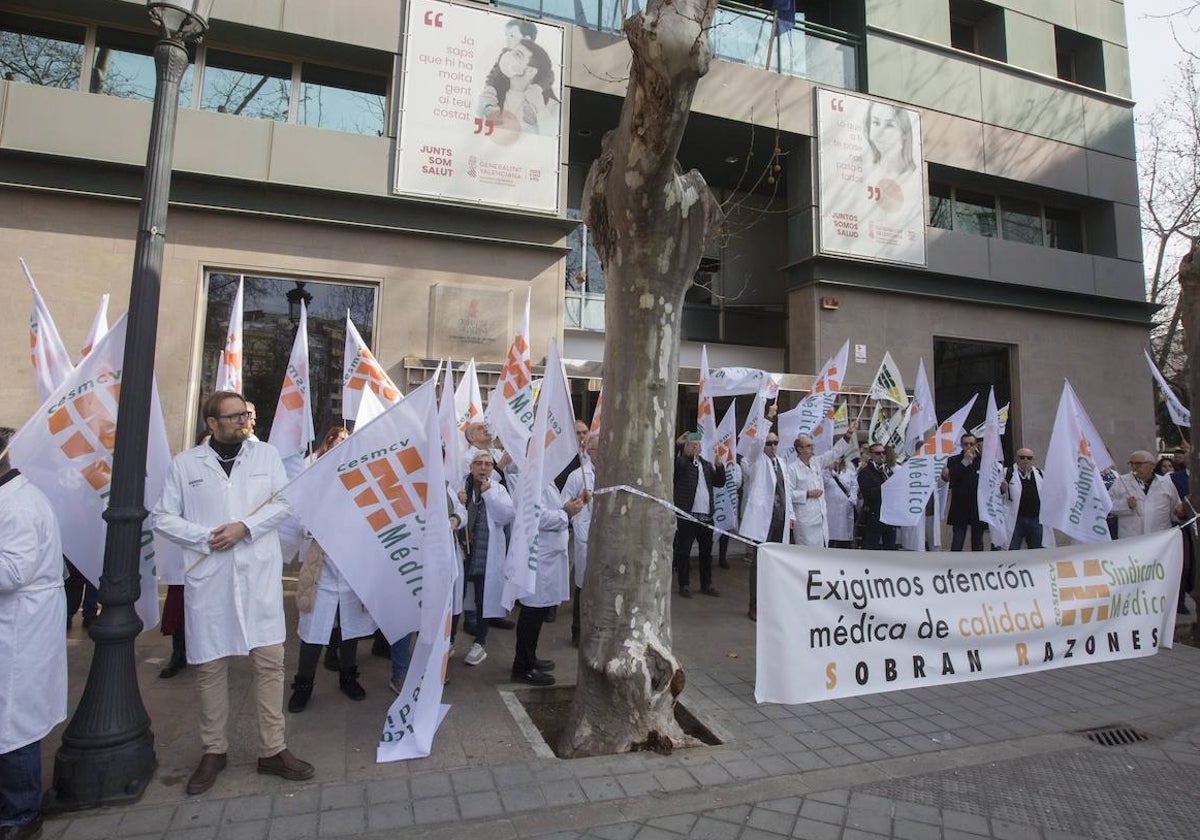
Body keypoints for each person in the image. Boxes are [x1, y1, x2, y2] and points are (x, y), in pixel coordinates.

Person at [153, 391, 313, 796]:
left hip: (257, 577)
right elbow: (162, 517)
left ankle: (273, 749)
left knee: (270, 664)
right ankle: (214, 750)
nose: (244, 420)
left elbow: (285, 502)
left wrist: (245, 527)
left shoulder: (266, 457)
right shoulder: (186, 464)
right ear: (212, 423)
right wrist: (205, 537)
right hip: (211, 579)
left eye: (245, 414)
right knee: (210, 668)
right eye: (235, 416)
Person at [0, 427, 66, 840]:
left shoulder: (19, 506)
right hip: (16, 624)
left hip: (21, 628)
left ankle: (20, 814)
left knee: (13, 721)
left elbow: (13, 571)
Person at [287, 427, 376, 713]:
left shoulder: (364, 481)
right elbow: (299, 519)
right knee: (314, 629)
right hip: (321, 567)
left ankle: (348, 677)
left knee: (350, 628)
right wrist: (313, 525)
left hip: (352, 566)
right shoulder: (316, 480)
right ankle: (303, 685)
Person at [511, 482, 581, 685]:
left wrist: (573, 506)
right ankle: (522, 666)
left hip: (549, 556)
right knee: (531, 612)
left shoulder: (546, 479)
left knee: (539, 611)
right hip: (538, 557)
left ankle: (529, 658)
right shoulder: (533, 481)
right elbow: (538, 517)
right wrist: (566, 512)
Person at [457, 449, 515, 666]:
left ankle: (479, 642)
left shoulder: (497, 489)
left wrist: (489, 494)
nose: (483, 467)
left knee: (483, 599)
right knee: (456, 600)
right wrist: (460, 501)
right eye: (478, 463)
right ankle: (450, 641)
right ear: (470, 467)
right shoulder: (460, 487)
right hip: (463, 554)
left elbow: (506, 515)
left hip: (485, 554)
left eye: (488, 464)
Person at [742, 422, 793, 622]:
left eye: (775, 443)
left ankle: (772, 603)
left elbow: (785, 489)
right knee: (759, 564)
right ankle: (754, 605)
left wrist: (792, 516)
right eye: (769, 443)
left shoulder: (781, 462)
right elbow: (755, 446)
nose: (772, 446)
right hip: (763, 520)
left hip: (780, 519)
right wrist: (768, 419)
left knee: (776, 564)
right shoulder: (754, 461)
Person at [785, 423, 859, 547]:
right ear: (800, 449)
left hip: (820, 517)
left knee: (821, 550)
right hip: (805, 519)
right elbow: (788, 494)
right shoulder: (792, 468)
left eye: (812, 445)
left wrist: (848, 435)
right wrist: (807, 494)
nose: (812, 448)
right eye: (808, 446)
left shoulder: (816, 462)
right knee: (807, 552)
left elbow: (834, 453)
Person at [672, 431, 726, 598]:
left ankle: (706, 584)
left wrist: (720, 466)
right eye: (691, 445)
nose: (695, 448)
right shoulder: (681, 463)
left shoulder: (707, 465)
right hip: (687, 516)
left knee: (706, 553)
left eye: (697, 445)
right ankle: (684, 585)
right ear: (686, 446)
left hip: (706, 517)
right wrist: (678, 446)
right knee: (684, 552)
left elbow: (719, 483)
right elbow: (672, 465)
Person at [561, 434, 596, 647]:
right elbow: (563, 501)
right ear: (591, 452)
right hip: (585, 535)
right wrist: (579, 501)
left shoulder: (612, 473)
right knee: (582, 585)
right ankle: (577, 630)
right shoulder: (577, 475)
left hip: (606, 536)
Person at [1109, 449, 1184, 538]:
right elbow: (1107, 506)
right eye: (1131, 464)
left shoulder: (1165, 483)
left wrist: (1179, 513)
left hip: (1159, 537)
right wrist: (1125, 505)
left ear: (1152, 466)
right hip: (1131, 538)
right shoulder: (1121, 482)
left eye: (1139, 464)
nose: (1134, 467)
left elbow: (1175, 509)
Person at [943, 433, 985, 551]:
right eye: (966, 444)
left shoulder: (983, 461)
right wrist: (965, 462)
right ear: (961, 445)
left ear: (975, 445)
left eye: (971, 444)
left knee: (977, 541)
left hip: (977, 507)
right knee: (958, 540)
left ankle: (977, 566)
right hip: (960, 506)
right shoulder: (953, 460)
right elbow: (952, 478)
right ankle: (954, 566)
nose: (968, 446)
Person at [1004, 448, 1045, 550]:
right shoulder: (1007, 473)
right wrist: (1002, 489)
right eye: (1022, 458)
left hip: (1036, 519)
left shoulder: (1040, 474)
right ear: (1016, 459)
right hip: (1016, 519)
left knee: (1037, 550)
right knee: (1013, 549)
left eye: (1029, 458)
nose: (1025, 460)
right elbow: (997, 495)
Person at [858, 444, 896, 550]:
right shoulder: (865, 472)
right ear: (871, 455)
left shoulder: (887, 471)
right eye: (878, 453)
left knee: (890, 547)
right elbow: (867, 494)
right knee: (871, 547)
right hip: (874, 515)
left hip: (888, 515)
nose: (882, 455)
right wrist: (884, 488)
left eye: (883, 453)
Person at [824, 455, 858, 549]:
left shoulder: (849, 472)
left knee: (844, 534)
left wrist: (852, 498)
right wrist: (829, 471)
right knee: (831, 535)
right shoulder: (825, 472)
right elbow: (823, 483)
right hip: (831, 508)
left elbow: (854, 486)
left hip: (845, 507)